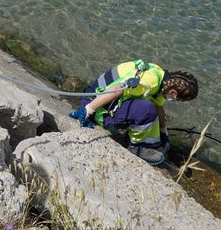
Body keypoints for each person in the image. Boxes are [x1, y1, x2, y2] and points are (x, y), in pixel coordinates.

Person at [69, 59, 198, 166]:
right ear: (173, 93)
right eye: (178, 100)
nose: (174, 101)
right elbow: (117, 89)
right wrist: (87, 111)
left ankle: (145, 141)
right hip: (96, 103)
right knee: (148, 109)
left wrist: (163, 131)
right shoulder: (149, 82)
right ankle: (135, 147)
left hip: (96, 94)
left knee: (152, 114)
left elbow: (159, 105)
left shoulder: (160, 76)